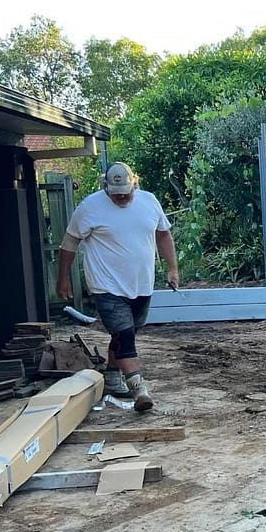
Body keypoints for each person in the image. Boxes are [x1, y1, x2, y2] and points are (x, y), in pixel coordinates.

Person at [56, 162, 178, 412]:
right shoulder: (89, 207)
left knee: (127, 332)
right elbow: (69, 243)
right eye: (116, 193)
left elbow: (163, 234)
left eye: (126, 191)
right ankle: (139, 389)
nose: (122, 197)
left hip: (141, 284)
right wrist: (63, 278)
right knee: (125, 336)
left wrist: (173, 268)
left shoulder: (149, 201)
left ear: (134, 182)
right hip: (105, 285)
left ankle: (112, 375)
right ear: (106, 186)